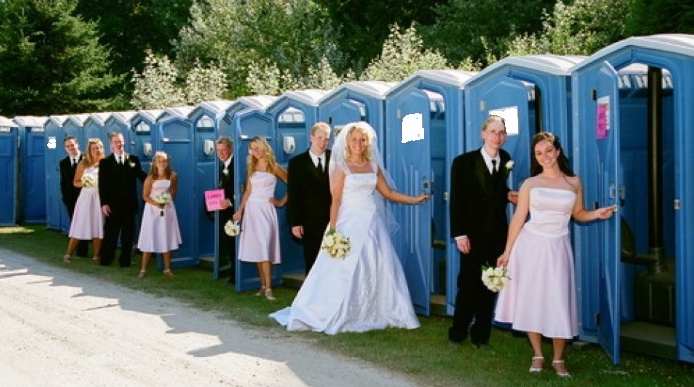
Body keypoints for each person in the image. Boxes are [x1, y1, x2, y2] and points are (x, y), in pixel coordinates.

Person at [270, 121, 429, 334]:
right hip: (348, 221)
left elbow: (389, 193)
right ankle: (330, 310)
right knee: (339, 269)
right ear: (348, 141)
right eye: (354, 139)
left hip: (372, 222)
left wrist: (414, 199)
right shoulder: (341, 166)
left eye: (363, 140)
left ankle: (378, 310)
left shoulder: (373, 166)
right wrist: (334, 231)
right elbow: (336, 201)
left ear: (368, 142)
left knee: (378, 265)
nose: (359, 143)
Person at [494, 132, 615, 377]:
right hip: (530, 246)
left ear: (558, 151)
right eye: (539, 153)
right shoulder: (530, 183)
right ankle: (538, 354)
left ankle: (559, 359)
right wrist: (507, 252)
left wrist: (596, 213)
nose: (545, 157)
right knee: (531, 298)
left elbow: (578, 213)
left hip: (558, 246)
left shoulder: (574, 182)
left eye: (548, 151)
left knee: (559, 299)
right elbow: (518, 218)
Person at [448, 115, 517, 349]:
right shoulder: (463, 162)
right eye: (493, 132)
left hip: (497, 234)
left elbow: (495, 190)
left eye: (501, 133)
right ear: (483, 134)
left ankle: (481, 336)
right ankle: (457, 334)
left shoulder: (506, 159)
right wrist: (459, 234)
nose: (497, 137)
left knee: (492, 284)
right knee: (468, 285)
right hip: (471, 235)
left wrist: (509, 194)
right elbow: (456, 200)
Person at [232, 137, 288, 301]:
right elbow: (248, 191)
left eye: (257, 148)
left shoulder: (274, 167)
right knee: (257, 248)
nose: (254, 152)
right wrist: (240, 211)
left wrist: (281, 201)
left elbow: (293, 183)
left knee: (265, 247)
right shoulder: (252, 166)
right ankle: (263, 286)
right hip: (251, 210)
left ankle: (270, 288)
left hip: (266, 210)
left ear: (264, 148)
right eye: (251, 149)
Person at [287, 122, 332, 275]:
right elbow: (294, 195)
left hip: (333, 219)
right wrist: (295, 223)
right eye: (319, 138)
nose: (323, 142)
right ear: (311, 137)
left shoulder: (336, 159)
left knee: (332, 260)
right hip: (308, 221)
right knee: (312, 260)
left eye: (326, 139)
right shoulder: (296, 163)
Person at [98, 132, 147, 268]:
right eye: (116, 142)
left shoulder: (132, 159)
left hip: (129, 204)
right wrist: (104, 203)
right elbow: (102, 184)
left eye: (120, 141)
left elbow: (141, 176)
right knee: (110, 234)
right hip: (112, 205)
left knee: (128, 235)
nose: (119, 144)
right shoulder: (105, 162)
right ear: (111, 144)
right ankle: (106, 260)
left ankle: (125, 261)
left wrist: (155, 180)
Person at [136, 151, 182, 278]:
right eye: (159, 161)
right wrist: (156, 203)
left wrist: (167, 200)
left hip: (167, 209)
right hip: (152, 210)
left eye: (164, 161)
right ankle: (143, 269)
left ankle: (167, 268)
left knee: (167, 236)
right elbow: (144, 196)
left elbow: (173, 191)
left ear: (168, 162)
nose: (162, 163)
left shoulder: (173, 175)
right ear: (155, 163)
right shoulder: (150, 178)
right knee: (150, 236)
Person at [62, 138, 105, 262]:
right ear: (89, 150)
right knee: (80, 225)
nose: (97, 150)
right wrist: (85, 182)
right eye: (94, 148)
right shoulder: (83, 163)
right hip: (86, 197)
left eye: (99, 148)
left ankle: (96, 255)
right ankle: (68, 254)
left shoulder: (106, 163)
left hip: (99, 197)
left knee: (98, 225)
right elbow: (75, 182)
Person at [59, 136, 89, 257]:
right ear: (65, 148)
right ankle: (79, 250)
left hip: (86, 197)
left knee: (86, 223)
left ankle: (84, 250)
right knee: (75, 224)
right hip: (71, 199)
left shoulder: (86, 159)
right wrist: (65, 198)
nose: (71, 148)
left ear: (78, 145)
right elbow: (63, 182)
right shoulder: (63, 163)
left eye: (72, 145)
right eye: (68, 146)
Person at [216, 136, 236, 284]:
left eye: (224, 150)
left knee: (234, 243)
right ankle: (233, 273)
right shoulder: (223, 166)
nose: (221, 153)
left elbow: (242, 188)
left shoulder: (235, 165)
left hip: (235, 212)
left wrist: (230, 201)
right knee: (229, 242)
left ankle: (236, 275)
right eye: (219, 151)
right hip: (225, 211)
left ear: (231, 149)